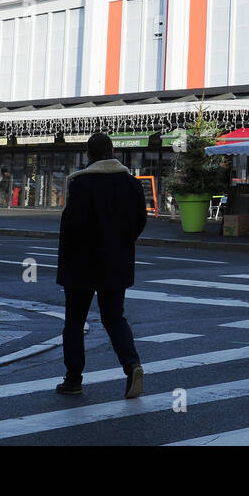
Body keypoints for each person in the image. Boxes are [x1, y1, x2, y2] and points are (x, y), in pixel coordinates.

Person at [56, 132, 148, 399]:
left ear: (88, 155)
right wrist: (122, 244)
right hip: (116, 263)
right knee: (114, 317)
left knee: (75, 321)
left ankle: (73, 379)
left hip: (81, 265)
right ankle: (132, 365)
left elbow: (72, 227)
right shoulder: (130, 184)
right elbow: (139, 221)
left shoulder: (82, 185)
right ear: (112, 153)